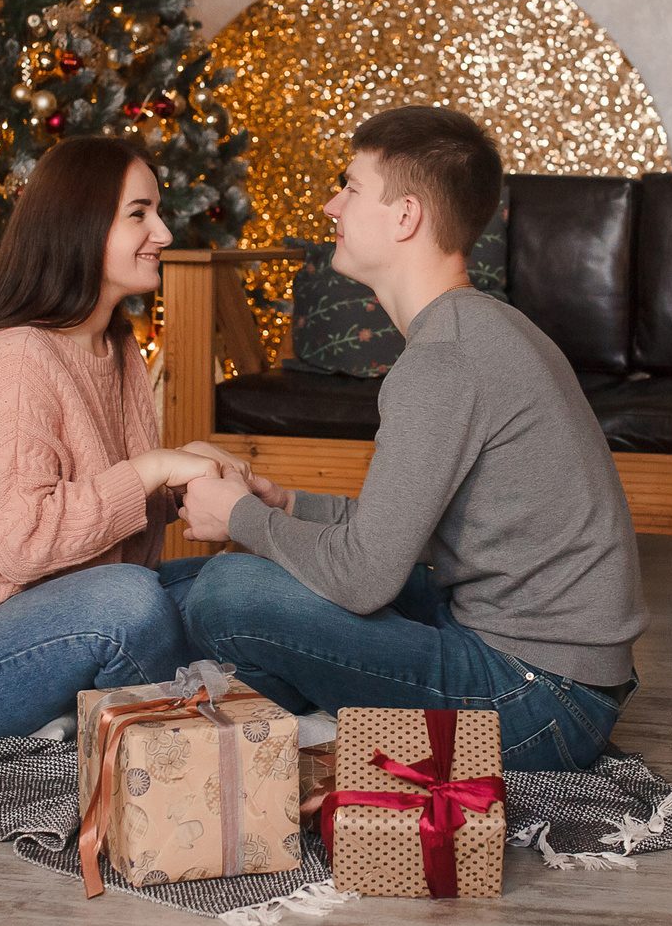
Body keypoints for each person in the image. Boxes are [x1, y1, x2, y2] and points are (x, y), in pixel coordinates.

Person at [173, 107, 648, 773]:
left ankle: (163, 700)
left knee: (231, 591)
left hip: (542, 701)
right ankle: (243, 706)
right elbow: (409, 531)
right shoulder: (476, 329)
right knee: (223, 575)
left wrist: (239, 518)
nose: (329, 203)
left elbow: (367, 576)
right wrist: (285, 508)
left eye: (351, 186)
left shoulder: (442, 361)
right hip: (544, 665)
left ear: (406, 216)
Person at [0, 137, 245, 740]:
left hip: (50, 609)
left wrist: (184, 481)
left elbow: (104, 525)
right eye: (139, 214)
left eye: (158, 211)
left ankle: (134, 717)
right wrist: (149, 469)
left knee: (231, 588)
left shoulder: (117, 347)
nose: (164, 233)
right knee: (131, 606)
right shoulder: (17, 360)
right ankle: (203, 747)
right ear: (81, 225)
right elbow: (18, 541)